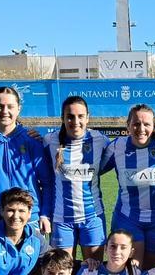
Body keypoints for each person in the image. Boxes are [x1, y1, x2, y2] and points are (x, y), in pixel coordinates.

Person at [102, 103, 155, 269]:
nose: (141, 128)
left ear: (154, 126)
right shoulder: (116, 147)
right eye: (136, 123)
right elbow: (93, 168)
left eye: (147, 124)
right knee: (131, 271)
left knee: (153, 272)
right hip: (128, 217)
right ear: (128, 125)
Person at [0, 86, 53, 237]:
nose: (4, 111)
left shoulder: (32, 140)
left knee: (34, 260)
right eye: (0, 106)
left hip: (30, 219)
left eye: (10, 106)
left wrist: (45, 214)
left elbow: (47, 183)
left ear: (19, 109)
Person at [46, 95, 111, 262]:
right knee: (61, 274)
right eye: (70, 116)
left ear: (88, 117)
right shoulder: (49, 141)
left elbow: (112, 161)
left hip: (92, 217)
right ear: (62, 118)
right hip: (62, 219)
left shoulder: (100, 140)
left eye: (80, 116)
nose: (75, 121)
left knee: (93, 271)